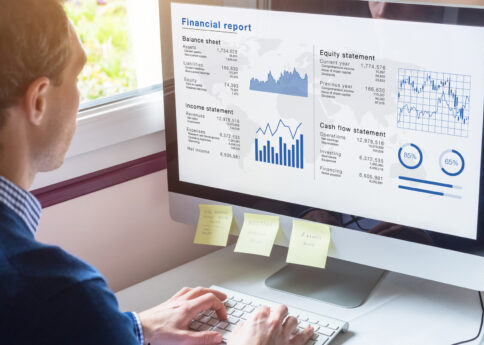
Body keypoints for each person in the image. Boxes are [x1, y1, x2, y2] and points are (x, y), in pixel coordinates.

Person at [0, 1, 313, 344]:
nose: (80, 95)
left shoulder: (60, 306)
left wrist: (126, 327)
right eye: (76, 78)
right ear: (39, 101)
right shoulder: (59, 297)